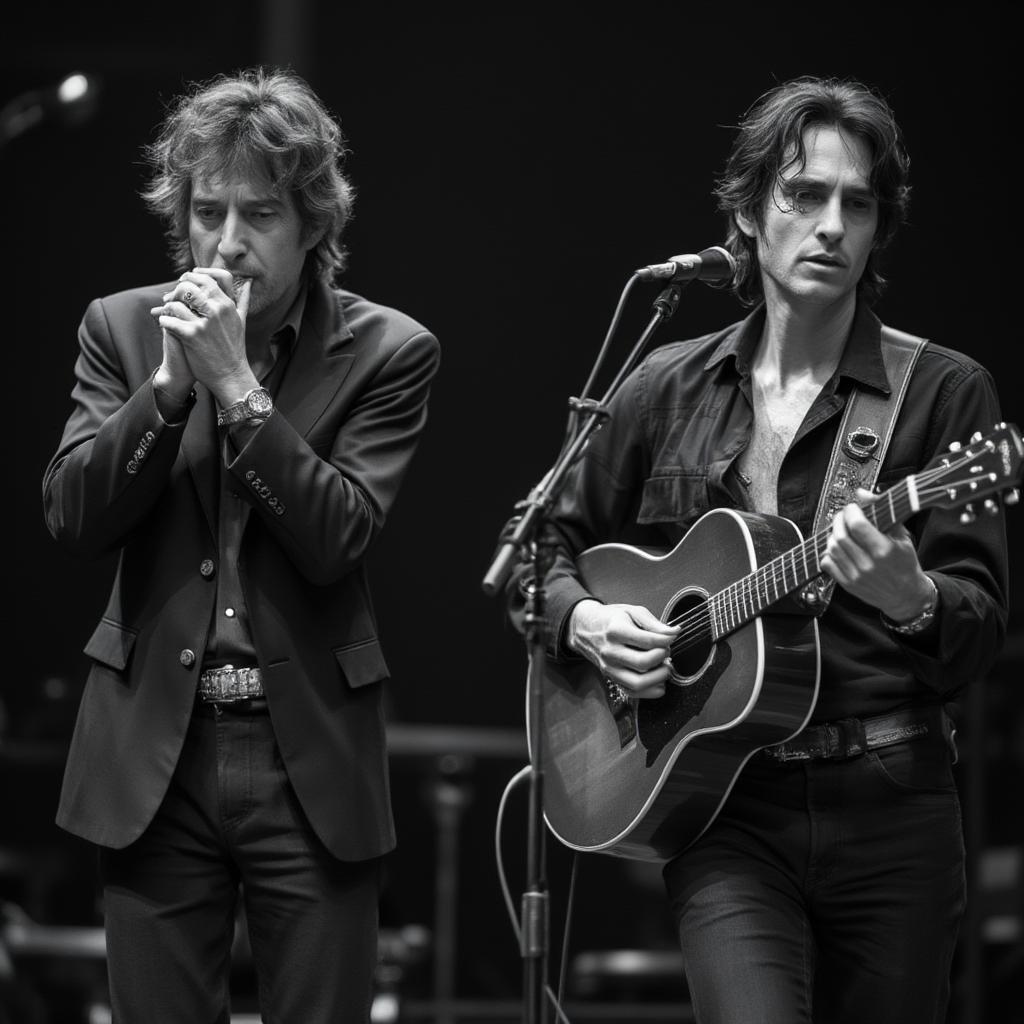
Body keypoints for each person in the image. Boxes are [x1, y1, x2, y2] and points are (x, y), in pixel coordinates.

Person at [510, 77, 1009, 1023]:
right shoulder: (666, 384)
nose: (831, 226)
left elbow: (978, 632)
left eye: (857, 205)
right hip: (727, 810)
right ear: (747, 211)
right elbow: (534, 550)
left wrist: (913, 597)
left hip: (893, 808)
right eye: (802, 195)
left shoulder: (944, 394)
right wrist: (585, 620)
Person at [42, 67, 440, 1023]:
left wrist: (239, 392)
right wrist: (171, 390)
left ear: (312, 226)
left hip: (305, 754)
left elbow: (337, 535)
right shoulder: (123, 328)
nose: (226, 244)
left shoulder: (389, 350)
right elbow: (72, 517)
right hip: (153, 752)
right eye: (206, 212)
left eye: (257, 214)